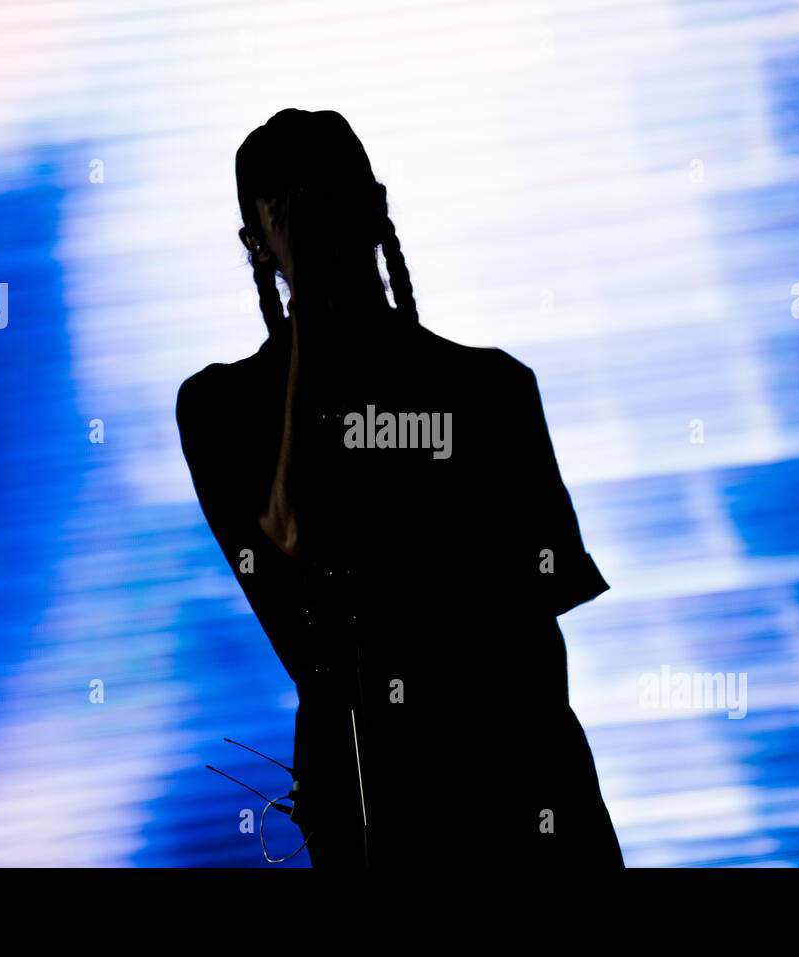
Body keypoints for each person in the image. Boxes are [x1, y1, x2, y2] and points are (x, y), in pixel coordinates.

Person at [176, 108, 623, 868]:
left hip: (519, 789)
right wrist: (314, 308)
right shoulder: (222, 407)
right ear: (256, 241)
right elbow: (286, 553)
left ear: (376, 206)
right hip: (371, 801)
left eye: (331, 193)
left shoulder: (494, 389)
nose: (317, 218)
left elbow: (533, 637)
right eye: (291, 203)